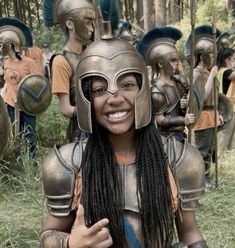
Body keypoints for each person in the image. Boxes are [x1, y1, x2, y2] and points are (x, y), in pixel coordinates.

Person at [39, 21, 180, 247]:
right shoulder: (68, 163)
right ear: (87, 99)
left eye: (127, 85)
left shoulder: (175, 157)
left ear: (143, 91)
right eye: (99, 89)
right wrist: (70, 244)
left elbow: (191, 234)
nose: (114, 98)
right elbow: (48, 234)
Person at [138, 26, 207, 248]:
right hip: (166, 143)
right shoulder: (156, 90)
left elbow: (186, 102)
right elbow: (158, 120)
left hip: (180, 140)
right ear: (160, 63)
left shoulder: (177, 82)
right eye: (174, 60)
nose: (178, 64)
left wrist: (187, 105)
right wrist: (181, 121)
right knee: (171, 187)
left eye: (178, 60)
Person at [43, 0, 96, 143]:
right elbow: (66, 109)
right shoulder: (61, 61)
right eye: (87, 22)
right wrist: (96, 110)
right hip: (82, 133)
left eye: (92, 23)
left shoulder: (93, 53)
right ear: (70, 24)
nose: (91, 29)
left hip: (104, 126)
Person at [185, 25, 221, 188]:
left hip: (212, 115)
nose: (214, 57)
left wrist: (218, 112)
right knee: (202, 150)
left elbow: (215, 97)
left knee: (211, 149)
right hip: (203, 116)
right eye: (210, 54)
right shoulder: (197, 74)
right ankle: (200, 179)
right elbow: (202, 97)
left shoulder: (207, 72)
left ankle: (207, 176)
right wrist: (212, 75)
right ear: (201, 55)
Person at [0, 17, 42, 158]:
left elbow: (39, 83)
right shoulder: (5, 62)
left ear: (11, 45)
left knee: (29, 135)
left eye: (2, 44)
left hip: (26, 105)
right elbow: (6, 82)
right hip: (10, 105)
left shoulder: (28, 63)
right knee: (14, 136)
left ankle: (32, 162)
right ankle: (18, 163)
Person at [217, 46, 235, 155]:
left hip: (228, 108)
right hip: (228, 109)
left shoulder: (221, 71)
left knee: (229, 137)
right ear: (227, 60)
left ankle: (224, 158)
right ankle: (219, 159)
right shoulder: (226, 72)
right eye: (234, 58)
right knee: (225, 136)